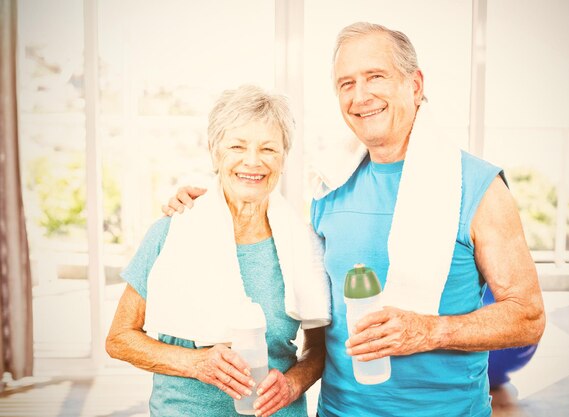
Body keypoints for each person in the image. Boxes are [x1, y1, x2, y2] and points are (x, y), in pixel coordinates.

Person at [163, 22, 546, 417]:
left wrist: (430, 330)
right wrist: (203, 203)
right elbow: (316, 319)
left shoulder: (478, 187)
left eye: (375, 77)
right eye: (346, 84)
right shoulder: (329, 187)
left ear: (415, 85)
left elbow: (528, 316)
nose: (360, 96)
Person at [107, 84, 331, 417]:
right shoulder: (172, 231)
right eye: (237, 146)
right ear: (215, 152)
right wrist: (195, 363)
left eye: (268, 149)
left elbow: (318, 349)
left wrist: (293, 384)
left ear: (284, 158)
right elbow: (120, 338)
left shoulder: (305, 244)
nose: (252, 162)